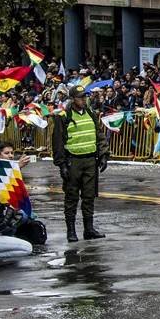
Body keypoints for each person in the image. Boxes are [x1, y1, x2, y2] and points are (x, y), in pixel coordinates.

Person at [52, 85, 109, 242]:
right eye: (80, 97)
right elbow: (57, 142)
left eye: (85, 97)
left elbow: (99, 134)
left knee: (89, 196)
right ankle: (71, 231)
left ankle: (88, 229)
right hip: (73, 161)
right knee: (71, 197)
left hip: (90, 161)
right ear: (73, 99)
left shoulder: (90, 113)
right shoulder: (63, 116)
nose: (84, 100)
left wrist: (104, 155)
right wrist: (62, 165)